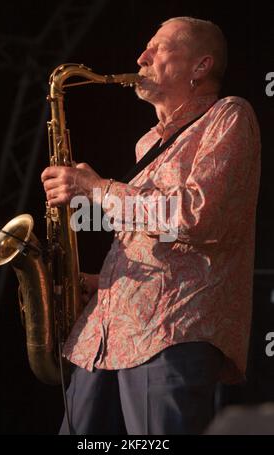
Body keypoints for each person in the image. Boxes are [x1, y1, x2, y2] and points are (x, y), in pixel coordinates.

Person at [41, 17, 261, 435]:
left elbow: (195, 217)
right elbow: (152, 238)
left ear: (200, 66)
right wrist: (98, 283)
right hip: (103, 340)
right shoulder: (147, 143)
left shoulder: (228, 116)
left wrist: (99, 188)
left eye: (157, 49)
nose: (141, 59)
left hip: (169, 334)